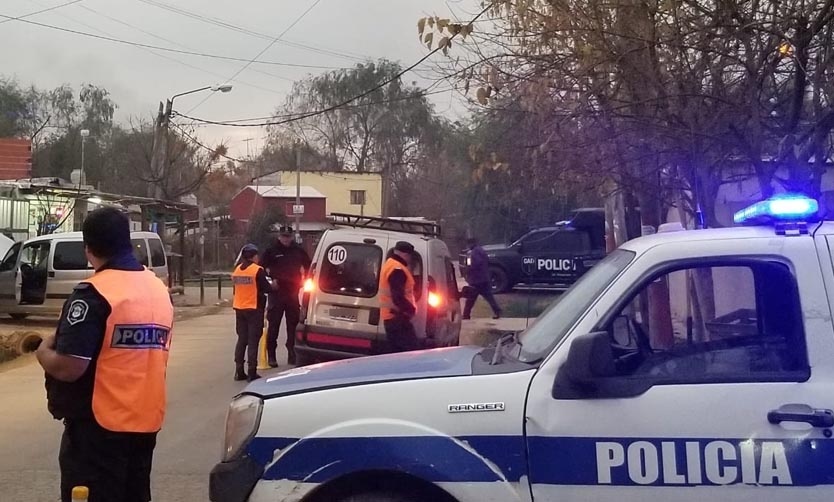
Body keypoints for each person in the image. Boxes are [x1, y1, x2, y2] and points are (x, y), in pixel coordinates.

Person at [36, 207, 174, 502]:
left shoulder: (95, 294)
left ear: (89, 249)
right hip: (145, 423)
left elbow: (69, 366)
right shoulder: (157, 289)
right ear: (128, 242)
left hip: (99, 429)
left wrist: (42, 352)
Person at [261, 225, 311, 366]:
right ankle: (271, 356)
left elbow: (309, 265)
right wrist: (270, 280)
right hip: (277, 293)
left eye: (288, 237)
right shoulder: (271, 251)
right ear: (279, 236)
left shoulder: (298, 250)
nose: (286, 239)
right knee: (274, 326)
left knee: (293, 326)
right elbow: (260, 269)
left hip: (293, 293)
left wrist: (305, 279)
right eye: (283, 236)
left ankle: (292, 354)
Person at [232, 244, 271, 382]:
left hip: (239, 308)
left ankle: (239, 370)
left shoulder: (237, 270)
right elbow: (267, 288)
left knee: (242, 339)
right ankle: (252, 372)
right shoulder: (257, 270)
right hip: (253, 308)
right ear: (254, 256)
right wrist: (274, 286)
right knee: (253, 340)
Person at [379, 241, 421, 352]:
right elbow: (397, 296)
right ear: (405, 254)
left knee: (396, 353)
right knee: (410, 352)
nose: (409, 259)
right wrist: (410, 310)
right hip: (397, 318)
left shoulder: (389, 264)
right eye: (409, 256)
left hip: (391, 317)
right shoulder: (398, 269)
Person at [462, 237, 502, 320]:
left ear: (471, 244)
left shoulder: (474, 252)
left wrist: (468, 270)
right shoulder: (481, 250)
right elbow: (487, 261)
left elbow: (475, 264)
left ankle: (466, 315)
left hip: (476, 280)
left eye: (468, 244)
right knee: (489, 297)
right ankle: (497, 311)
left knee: (470, 299)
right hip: (484, 278)